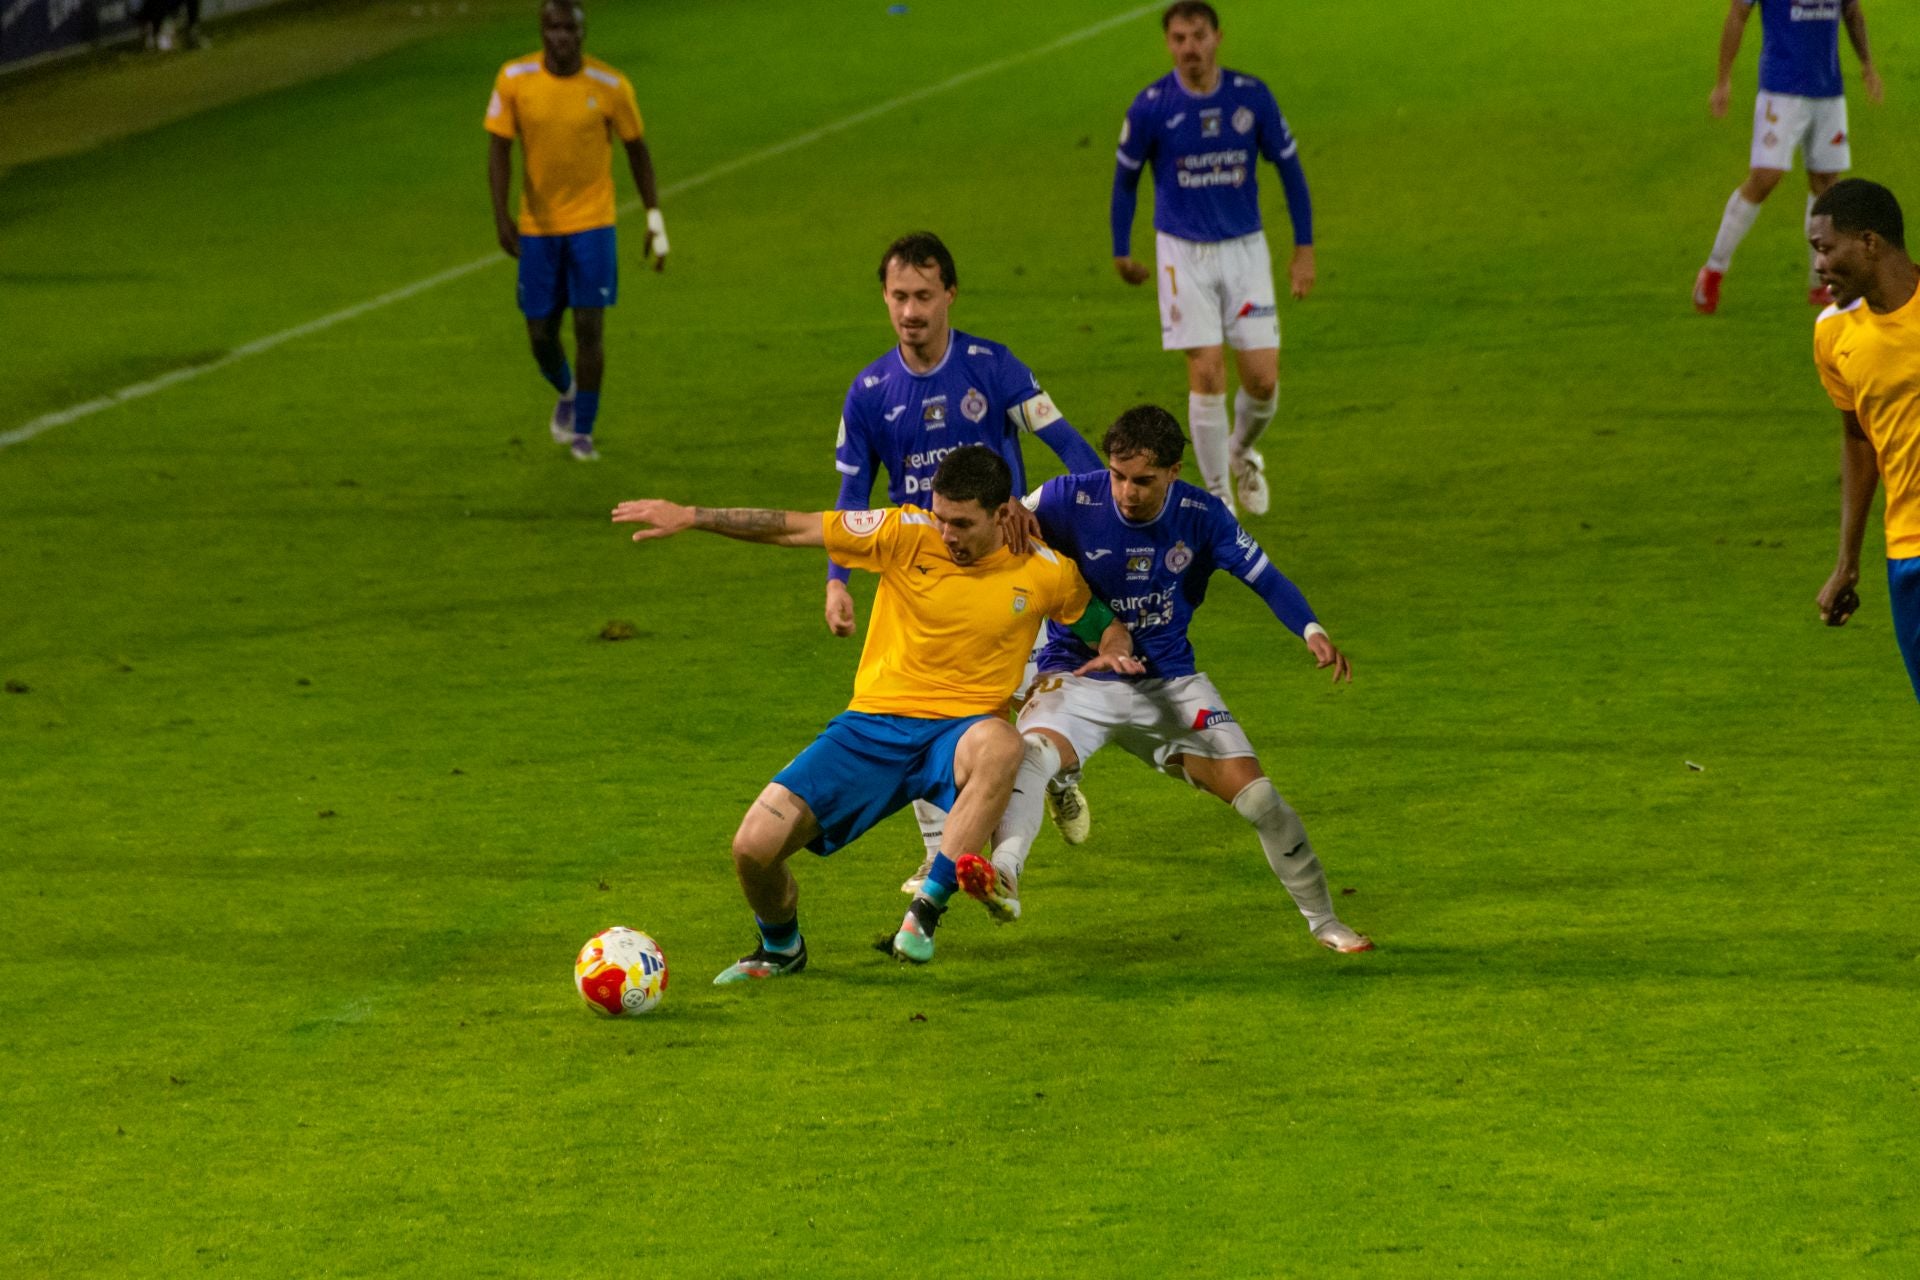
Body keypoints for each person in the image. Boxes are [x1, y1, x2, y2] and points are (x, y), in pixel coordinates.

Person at [611, 447, 1142, 983]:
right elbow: (792, 528)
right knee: (752, 849)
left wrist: (1115, 649)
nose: (948, 534)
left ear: (1003, 512)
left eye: (962, 523)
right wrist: (692, 516)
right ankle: (781, 947)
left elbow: (1101, 622)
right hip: (871, 728)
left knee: (1006, 743)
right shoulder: (905, 533)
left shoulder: (1045, 570)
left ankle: (924, 914)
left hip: (958, 736)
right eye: (941, 518)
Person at [949, 405, 1372, 954]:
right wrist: (1005, 509)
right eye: (1118, 476)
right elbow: (992, 526)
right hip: (1079, 675)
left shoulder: (1204, 515)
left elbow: (1265, 578)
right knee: (1030, 752)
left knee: (1261, 801)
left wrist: (1311, 630)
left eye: (1143, 480)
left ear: (1174, 471)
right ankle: (1004, 874)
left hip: (1168, 684)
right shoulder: (1064, 498)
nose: (1126, 491)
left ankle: (1325, 922)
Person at [831, 231, 1108, 886]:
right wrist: (837, 581)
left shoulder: (993, 367)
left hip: (1007, 567)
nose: (911, 310)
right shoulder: (870, 392)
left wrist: (1092, 522)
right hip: (922, 578)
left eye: (924, 295)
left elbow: (1068, 445)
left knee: (1025, 706)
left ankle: (1056, 775)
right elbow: (850, 498)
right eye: (899, 296)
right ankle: (942, 856)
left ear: (949, 294)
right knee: (925, 708)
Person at [1110, 1, 1314, 519]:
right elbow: (1125, 181)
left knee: (1263, 381)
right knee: (1206, 373)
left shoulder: (1251, 98)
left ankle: (1241, 452)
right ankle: (1220, 496)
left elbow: (1290, 171)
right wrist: (1122, 248)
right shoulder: (1151, 106)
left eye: (1198, 36)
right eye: (1179, 38)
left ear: (1217, 37)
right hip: (1182, 254)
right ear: (1168, 44)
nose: (1189, 48)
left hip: (1244, 252)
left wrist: (1303, 249)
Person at [486, 1, 668, 462]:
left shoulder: (609, 86)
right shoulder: (514, 79)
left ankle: (583, 430)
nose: (561, 36)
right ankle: (567, 391)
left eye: (570, 28)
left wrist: (653, 217)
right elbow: (499, 150)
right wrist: (502, 216)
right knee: (540, 333)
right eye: (553, 27)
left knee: (589, 326)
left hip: (593, 224)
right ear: (542, 31)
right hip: (538, 227)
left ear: (582, 34)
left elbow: (637, 151)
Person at [1693, 0, 1883, 315]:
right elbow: (1738, 14)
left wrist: (1867, 64)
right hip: (1780, 88)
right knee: (1766, 177)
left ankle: (1822, 282)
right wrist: (1723, 80)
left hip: (1827, 87)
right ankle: (1712, 271)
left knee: (1826, 185)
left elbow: (1852, 11)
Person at [1809, 179, 1920, 700]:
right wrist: (1846, 562)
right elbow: (1859, 440)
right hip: (1908, 552)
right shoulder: (1833, 334)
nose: (1818, 265)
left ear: (1870, 243)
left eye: (1826, 248)